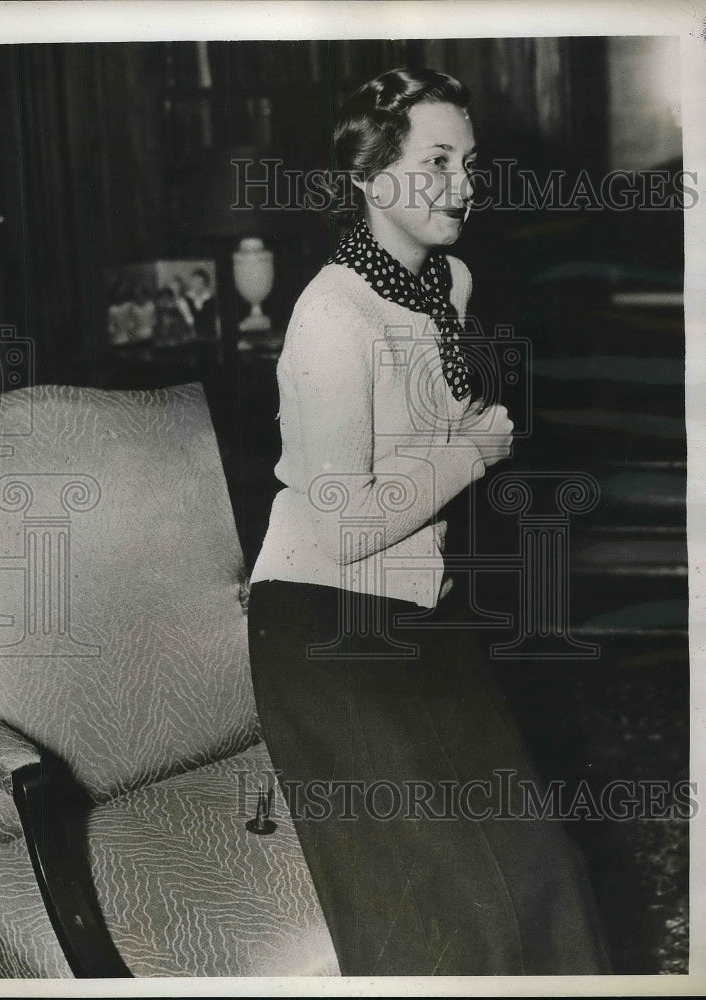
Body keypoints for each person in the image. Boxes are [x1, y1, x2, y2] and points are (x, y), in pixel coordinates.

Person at [247, 67, 610, 977]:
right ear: (371, 177)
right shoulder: (330, 316)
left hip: (420, 609)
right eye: (436, 161)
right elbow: (341, 527)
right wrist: (472, 453)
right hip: (323, 623)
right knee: (453, 912)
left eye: (471, 160)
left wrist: (464, 437)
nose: (464, 183)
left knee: (543, 868)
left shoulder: (447, 280)